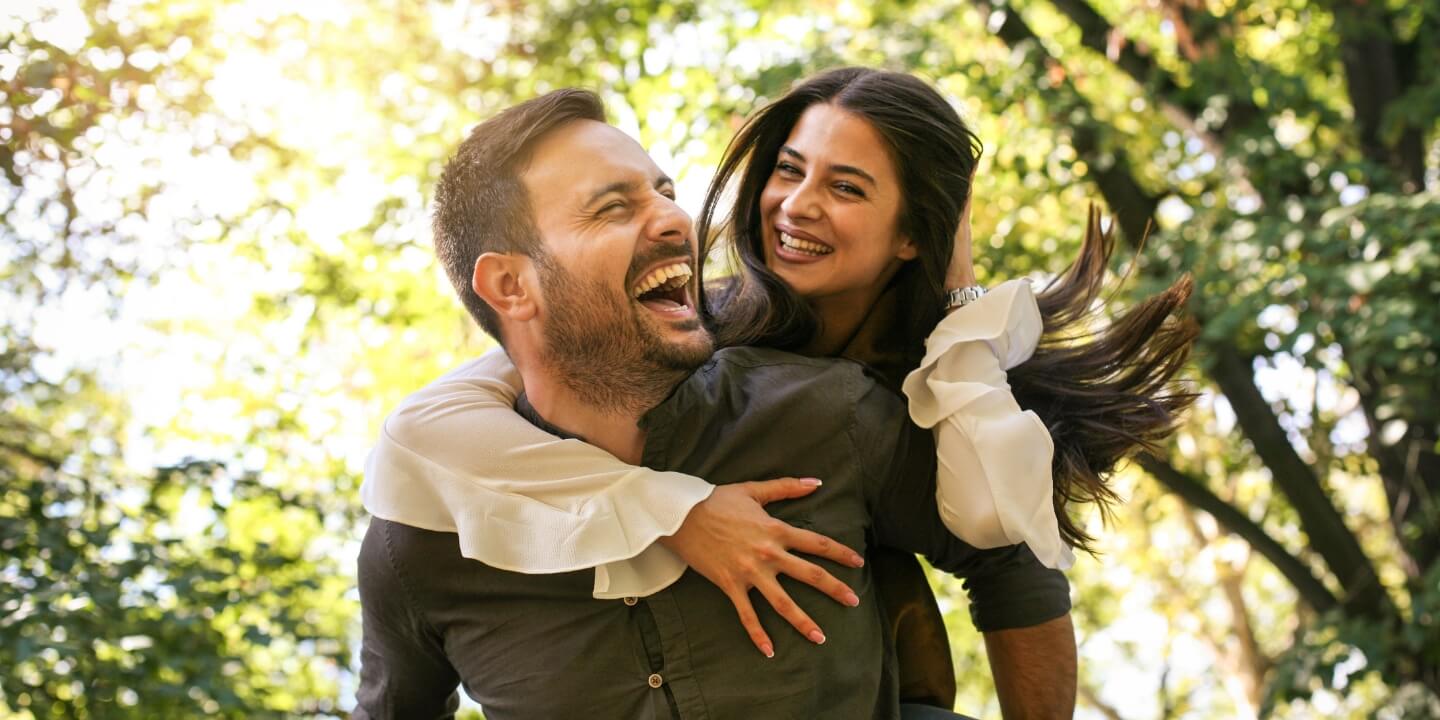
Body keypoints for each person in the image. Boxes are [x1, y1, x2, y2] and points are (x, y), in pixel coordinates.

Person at [362, 67, 1196, 708]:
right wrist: (675, 508)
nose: (795, 207)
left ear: (914, 236)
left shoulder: (883, 393)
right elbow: (444, 422)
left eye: (846, 187)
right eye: (789, 171)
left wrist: (961, 304)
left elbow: (1010, 555)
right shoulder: (690, 323)